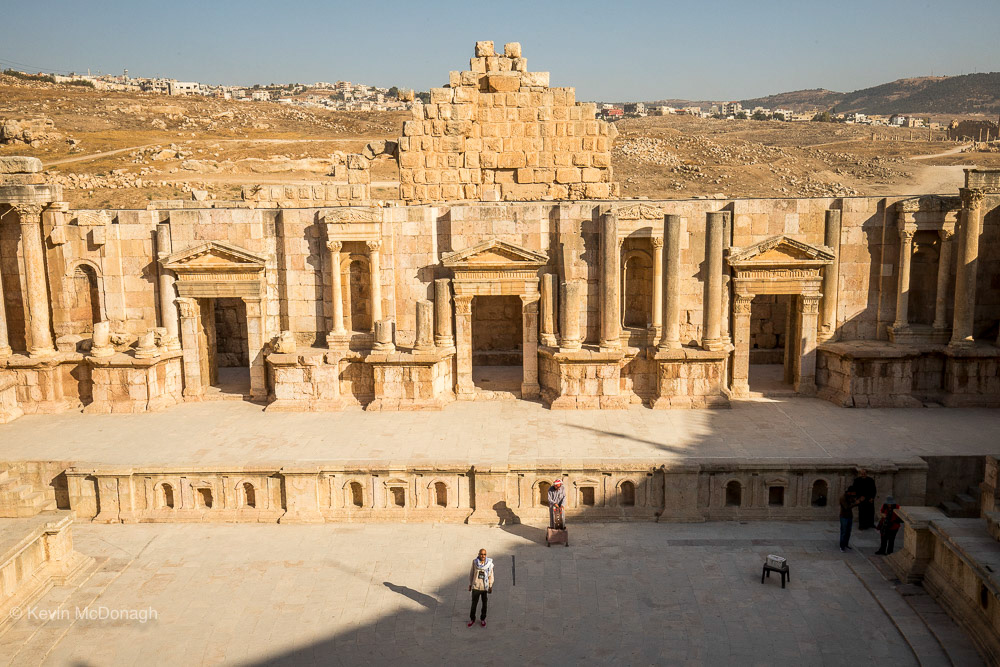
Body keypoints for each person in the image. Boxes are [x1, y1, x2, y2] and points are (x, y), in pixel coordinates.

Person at [468, 548, 493, 627]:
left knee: (484, 604)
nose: (483, 556)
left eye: (484, 554)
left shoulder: (489, 564)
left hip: (484, 587)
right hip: (476, 586)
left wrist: (490, 585)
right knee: (474, 604)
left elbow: (491, 575)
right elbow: (472, 573)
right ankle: (472, 619)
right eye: (481, 554)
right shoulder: (475, 563)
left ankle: (483, 618)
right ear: (479, 554)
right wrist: (470, 584)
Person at [839, 488, 859, 552]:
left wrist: (858, 501)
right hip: (844, 517)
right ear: (850, 492)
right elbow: (846, 507)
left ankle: (846, 544)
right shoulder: (843, 498)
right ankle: (842, 547)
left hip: (849, 516)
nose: (854, 494)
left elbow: (853, 502)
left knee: (848, 532)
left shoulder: (850, 497)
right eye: (854, 493)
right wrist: (856, 503)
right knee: (844, 532)